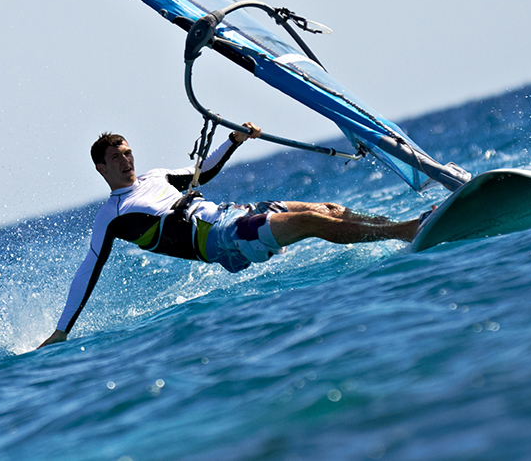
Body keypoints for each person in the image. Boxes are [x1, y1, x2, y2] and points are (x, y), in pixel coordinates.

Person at [36, 123, 422, 349]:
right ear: (101, 168)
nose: (126, 161)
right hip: (223, 241)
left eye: (127, 152)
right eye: (116, 158)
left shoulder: (156, 177)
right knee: (310, 224)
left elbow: (204, 170)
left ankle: (401, 227)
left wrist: (233, 140)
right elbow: (88, 271)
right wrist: (61, 330)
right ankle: (407, 232)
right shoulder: (112, 216)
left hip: (232, 215)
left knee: (325, 210)